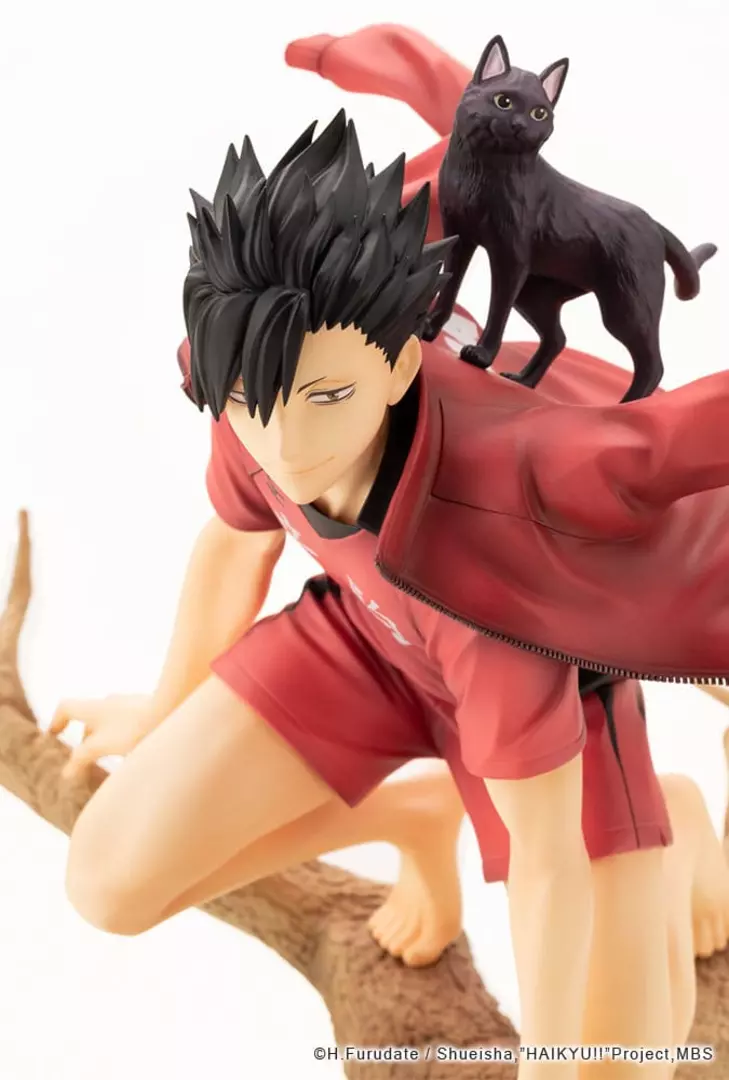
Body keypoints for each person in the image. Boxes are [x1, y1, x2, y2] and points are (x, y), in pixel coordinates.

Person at [51, 113, 729, 1077]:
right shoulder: (254, 362)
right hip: (371, 642)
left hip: (529, 677)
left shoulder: (488, 540)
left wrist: (543, 1064)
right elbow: (233, 545)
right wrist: (163, 712)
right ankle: (411, 813)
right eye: (247, 400)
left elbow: (546, 861)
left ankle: (671, 827)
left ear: (403, 363)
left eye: (327, 399)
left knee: (616, 1066)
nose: (284, 444)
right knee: (106, 882)